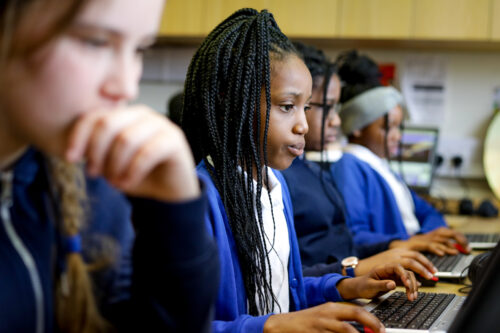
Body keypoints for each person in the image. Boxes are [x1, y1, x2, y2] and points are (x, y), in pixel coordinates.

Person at [182, 9, 418, 333]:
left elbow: (283, 297)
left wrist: (342, 286)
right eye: (286, 106)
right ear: (234, 104)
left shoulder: (275, 185)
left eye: (305, 107)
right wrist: (271, 327)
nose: (303, 125)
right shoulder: (196, 199)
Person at [0, 0, 218, 332]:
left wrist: (175, 216)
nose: (127, 87)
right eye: (96, 41)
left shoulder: (93, 191)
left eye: (140, 49)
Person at [282, 42, 436, 279]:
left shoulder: (311, 169)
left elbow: (344, 241)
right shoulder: (282, 176)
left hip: (343, 282)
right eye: (289, 106)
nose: (336, 121)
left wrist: (388, 250)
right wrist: (356, 270)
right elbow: (289, 279)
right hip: (330, 289)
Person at [330, 50, 469, 254]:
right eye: (388, 128)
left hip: (411, 253)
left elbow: (429, 212)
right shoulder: (349, 166)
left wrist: (426, 237)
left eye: (398, 127)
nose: (397, 136)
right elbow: (355, 236)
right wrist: (413, 241)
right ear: (357, 127)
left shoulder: (381, 167)